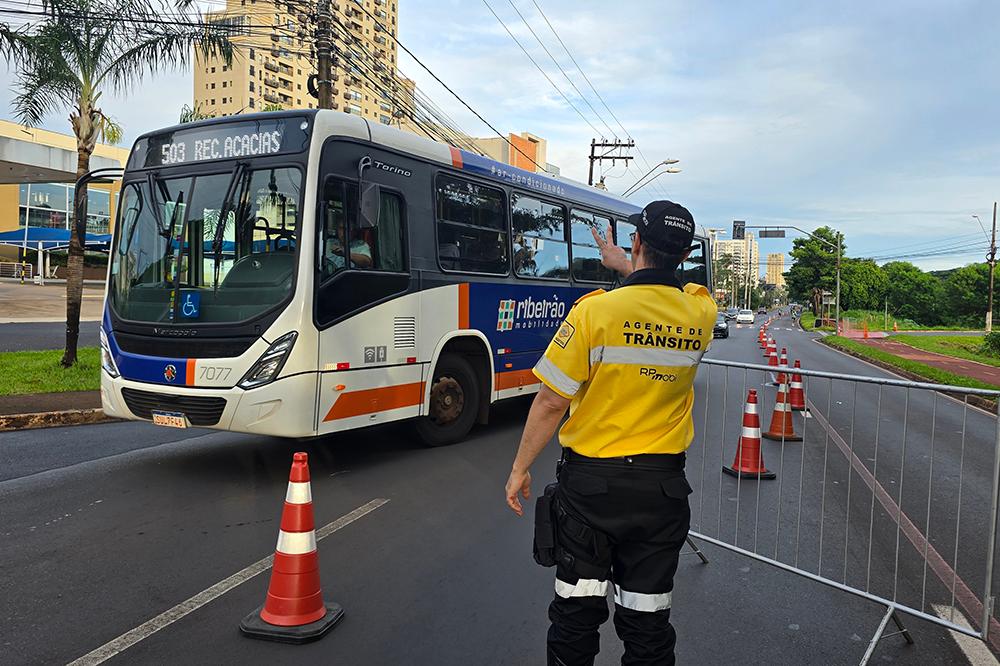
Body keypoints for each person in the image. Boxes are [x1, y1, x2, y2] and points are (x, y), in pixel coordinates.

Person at [504, 201, 717, 666]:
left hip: (590, 492)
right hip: (662, 491)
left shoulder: (595, 311)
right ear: (683, 257)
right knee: (648, 623)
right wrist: (635, 265)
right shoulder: (700, 313)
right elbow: (675, 288)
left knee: (575, 616)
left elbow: (551, 402)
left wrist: (520, 468)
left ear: (636, 242)